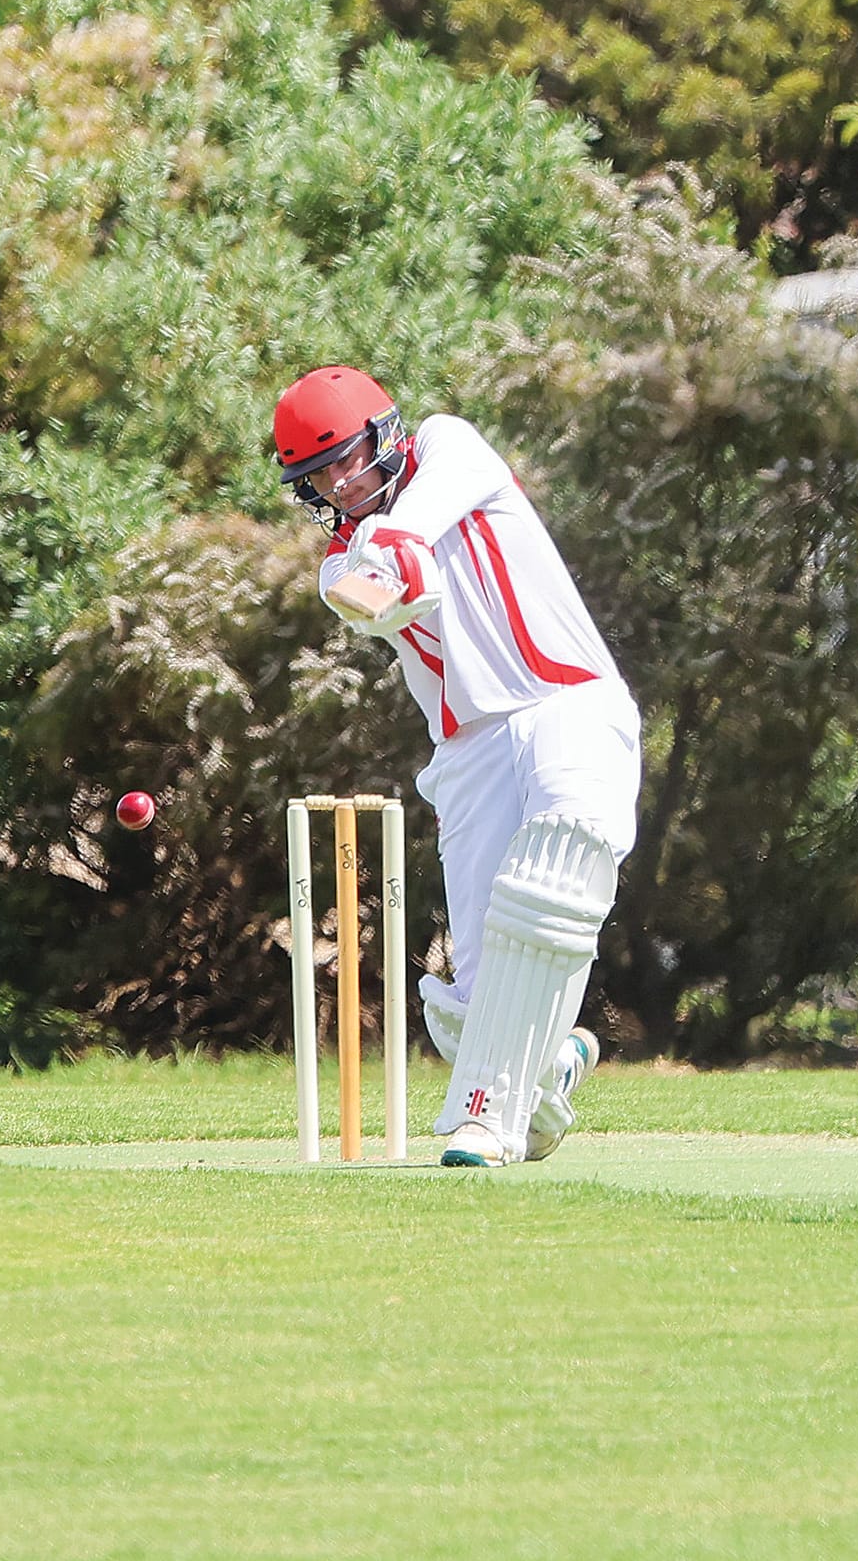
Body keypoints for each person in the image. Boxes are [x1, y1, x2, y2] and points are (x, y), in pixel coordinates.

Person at [274, 366, 642, 1168]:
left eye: (350, 455)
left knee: (558, 871)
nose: (342, 479)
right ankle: (549, 1072)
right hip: (469, 746)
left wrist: (391, 546)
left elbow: (422, 528)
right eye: (320, 474)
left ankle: (484, 1118)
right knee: (473, 1003)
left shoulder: (451, 445)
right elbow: (404, 589)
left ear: (388, 433)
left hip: (567, 699)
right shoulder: (340, 567)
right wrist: (378, 561)